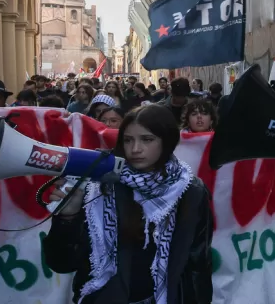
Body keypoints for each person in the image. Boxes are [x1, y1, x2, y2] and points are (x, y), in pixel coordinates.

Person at [43, 105, 213, 304]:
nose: (135, 149)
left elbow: (198, 264)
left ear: (167, 141)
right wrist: (67, 218)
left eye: (147, 140)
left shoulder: (190, 190)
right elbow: (62, 263)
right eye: (128, 140)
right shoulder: (100, 186)